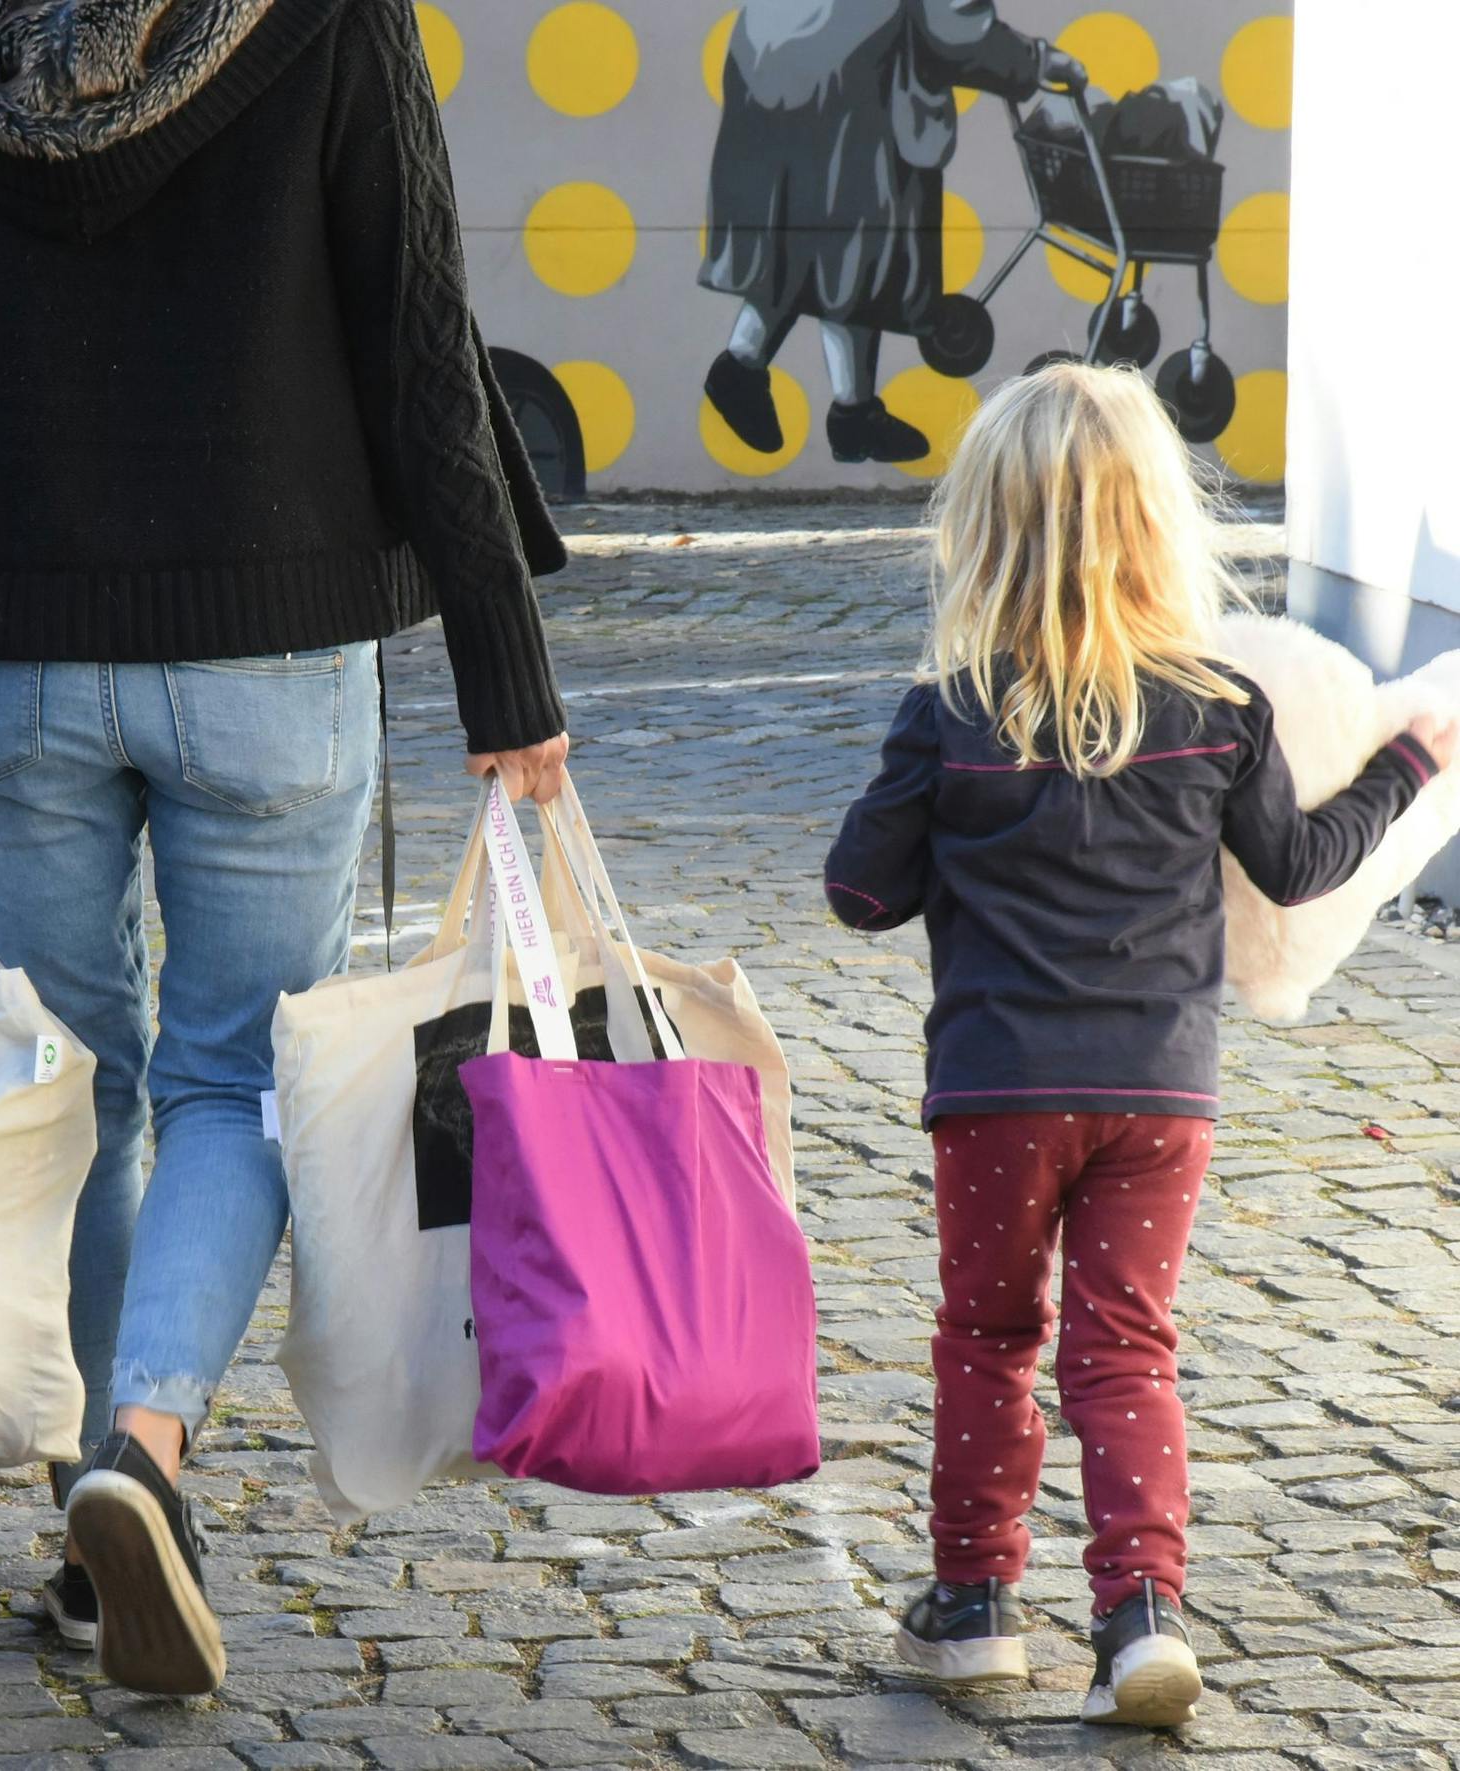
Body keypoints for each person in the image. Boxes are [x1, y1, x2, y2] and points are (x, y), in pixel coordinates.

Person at [0, 0, 570, 1698]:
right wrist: (505, 677)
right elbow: (418, 334)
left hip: (2, 646)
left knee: (63, 1085)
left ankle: (99, 1528)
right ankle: (148, 1455)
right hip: (268, 637)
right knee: (235, 1083)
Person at [823, 363, 1455, 1726]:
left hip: (996, 1093)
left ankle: (978, 1606)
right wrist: (1405, 767)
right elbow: (1295, 871)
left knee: (988, 1335)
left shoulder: (950, 712)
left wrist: (935, 821)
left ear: (982, 529)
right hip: (1162, 1094)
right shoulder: (1219, 708)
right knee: (1128, 1347)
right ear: (1164, 521)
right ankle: (1140, 1616)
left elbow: (859, 893)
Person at [701, 0, 1083, 465]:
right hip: (857, 86)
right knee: (859, 251)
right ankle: (837, 407)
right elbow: (956, 28)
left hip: (774, 63)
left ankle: (783, 382)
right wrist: (1041, 61)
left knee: (804, 244)